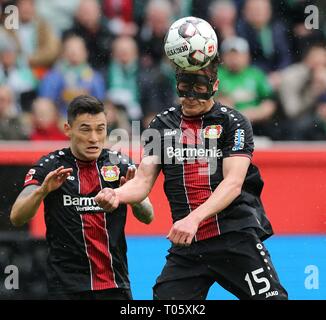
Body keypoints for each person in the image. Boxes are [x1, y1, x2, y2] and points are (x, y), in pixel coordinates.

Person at [94, 55, 289, 299]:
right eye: (185, 89)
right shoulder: (162, 124)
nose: (191, 97)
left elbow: (233, 184)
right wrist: (116, 194)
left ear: (214, 86)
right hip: (188, 246)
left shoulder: (234, 123)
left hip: (234, 236)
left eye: (200, 89)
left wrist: (193, 219)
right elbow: (143, 180)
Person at [10, 95, 154, 300]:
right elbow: (17, 217)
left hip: (114, 284)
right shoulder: (50, 166)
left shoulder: (120, 164)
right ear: (68, 129)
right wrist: (43, 191)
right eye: (85, 129)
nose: (94, 138)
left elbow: (148, 216)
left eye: (100, 129)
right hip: (66, 288)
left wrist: (131, 196)